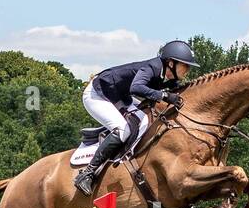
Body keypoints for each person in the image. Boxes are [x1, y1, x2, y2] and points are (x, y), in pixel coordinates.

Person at [73, 39, 200, 196]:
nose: (187, 70)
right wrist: (164, 95)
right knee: (122, 129)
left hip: (119, 95)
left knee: (145, 119)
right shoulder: (152, 67)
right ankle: (87, 173)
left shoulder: (167, 75)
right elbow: (137, 87)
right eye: (185, 65)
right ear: (171, 63)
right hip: (98, 94)